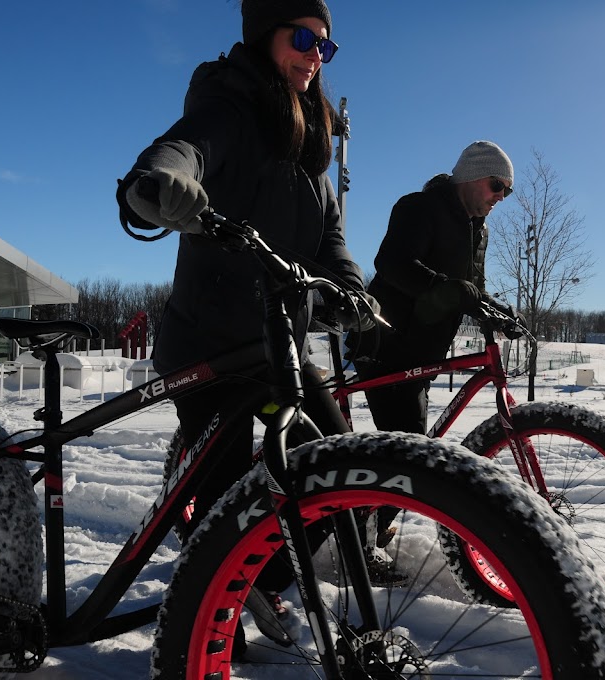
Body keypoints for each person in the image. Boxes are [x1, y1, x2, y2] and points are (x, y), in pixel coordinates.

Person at [115, 0, 386, 650]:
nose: (315, 55)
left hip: (279, 354)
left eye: (326, 46)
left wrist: (355, 298)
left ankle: (251, 582)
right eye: (303, 38)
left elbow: (336, 254)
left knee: (337, 475)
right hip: (208, 350)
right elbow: (180, 151)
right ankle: (211, 615)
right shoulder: (228, 110)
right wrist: (162, 183)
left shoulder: (312, 169)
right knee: (222, 501)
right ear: (265, 37)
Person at [350, 141, 515, 435]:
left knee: (411, 454)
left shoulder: (478, 230)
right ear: (471, 176)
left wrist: (502, 313)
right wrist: (447, 289)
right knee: (408, 457)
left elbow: (474, 291)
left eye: (507, 190)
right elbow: (392, 262)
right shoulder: (420, 207)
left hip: (422, 355)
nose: (501, 196)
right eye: (497, 185)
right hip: (386, 347)